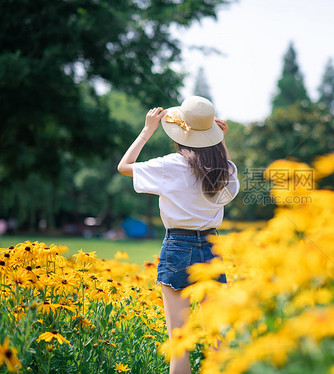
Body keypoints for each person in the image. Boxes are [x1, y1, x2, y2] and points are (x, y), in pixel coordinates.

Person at [117, 96, 240, 374]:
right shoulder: (224, 169)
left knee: (179, 345)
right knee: (217, 340)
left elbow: (124, 167)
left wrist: (147, 130)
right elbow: (228, 180)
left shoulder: (169, 165)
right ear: (212, 132)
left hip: (177, 246)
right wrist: (220, 142)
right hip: (211, 247)